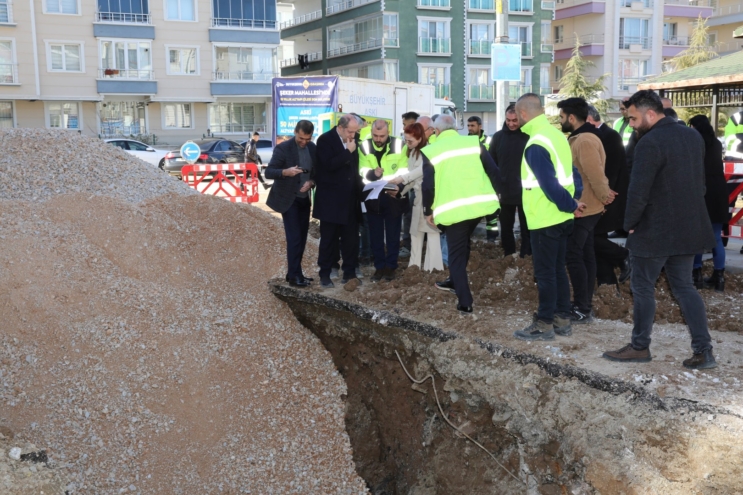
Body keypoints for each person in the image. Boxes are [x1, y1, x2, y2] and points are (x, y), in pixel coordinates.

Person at [603, 90, 717, 370]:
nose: (630, 124)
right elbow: (700, 183)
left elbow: (638, 191)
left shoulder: (649, 142)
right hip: (689, 226)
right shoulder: (692, 136)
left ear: (650, 114)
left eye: (632, 118)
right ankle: (704, 351)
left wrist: (628, 224)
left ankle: (640, 347)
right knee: (685, 288)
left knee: (642, 287)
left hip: (654, 229)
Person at [512, 94, 585, 341]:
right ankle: (562, 319)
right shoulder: (556, 135)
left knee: (545, 273)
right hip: (562, 218)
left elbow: (549, 185)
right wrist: (573, 202)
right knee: (557, 270)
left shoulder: (535, 143)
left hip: (545, 218)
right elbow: (573, 173)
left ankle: (544, 323)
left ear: (522, 114)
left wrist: (568, 204)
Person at [422, 115, 500, 313]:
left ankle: (464, 301)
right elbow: (493, 170)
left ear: (437, 131)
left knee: (456, 255)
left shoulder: (432, 150)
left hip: (453, 210)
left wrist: (428, 210)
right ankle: (454, 280)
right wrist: (499, 195)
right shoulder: (473, 142)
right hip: (477, 208)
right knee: (463, 244)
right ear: (455, 128)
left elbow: (428, 186)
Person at [558, 98, 615, 324]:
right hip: (587, 206)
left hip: (585, 208)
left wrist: (604, 197)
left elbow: (594, 173)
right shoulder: (582, 138)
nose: (560, 121)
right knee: (585, 255)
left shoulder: (584, 141)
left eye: (562, 117)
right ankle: (584, 304)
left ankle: (582, 308)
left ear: (572, 118)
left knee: (574, 255)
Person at [264, 121, 317, 287]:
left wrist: (311, 182)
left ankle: (294, 273)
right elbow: (269, 171)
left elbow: (316, 173)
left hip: (304, 199)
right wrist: (285, 172)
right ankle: (294, 277)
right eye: (301, 138)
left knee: (301, 238)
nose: (304, 142)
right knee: (294, 238)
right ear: (295, 132)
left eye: (307, 139)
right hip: (288, 199)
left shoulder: (313, 148)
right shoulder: (283, 148)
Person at [314, 114, 363, 288]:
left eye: (355, 132)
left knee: (351, 239)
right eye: (350, 131)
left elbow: (356, 168)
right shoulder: (325, 140)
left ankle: (349, 273)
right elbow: (329, 165)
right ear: (340, 128)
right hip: (330, 200)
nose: (353, 135)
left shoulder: (354, 140)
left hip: (350, 199)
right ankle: (325, 274)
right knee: (329, 240)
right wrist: (347, 152)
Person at [388, 123, 444, 271]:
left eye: (410, 141)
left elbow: (419, 172)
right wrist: (399, 191)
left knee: (432, 234)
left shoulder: (428, 151)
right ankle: (415, 267)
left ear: (420, 138)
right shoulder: (412, 152)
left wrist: (401, 180)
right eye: (405, 140)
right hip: (418, 199)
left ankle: (434, 269)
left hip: (429, 199)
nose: (407, 144)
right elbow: (412, 180)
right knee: (416, 233)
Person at [586, 105, 632, 287]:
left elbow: (610, 171)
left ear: (589, 119)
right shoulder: (601, 135)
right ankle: (607, 282)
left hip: (610, 198)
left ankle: (624, 256)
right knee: (596, 237)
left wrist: (604, 199)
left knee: (590, 238)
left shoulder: (609, 136)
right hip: (604, 197)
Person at [359, 120, 408, 281]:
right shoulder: (364, 146)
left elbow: (404, 170)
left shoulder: (400, 145)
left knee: (393, 234)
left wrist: (398, 186)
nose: (378, 139)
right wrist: (373, 174)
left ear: (389, 133)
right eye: (375, 135)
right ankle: (379, 267)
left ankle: (391, 267)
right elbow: (362, 169)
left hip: (393, 196)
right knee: (376, 235)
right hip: (373, 196)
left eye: (382, 136)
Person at [688, 115, 729, 292]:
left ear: (696, 127)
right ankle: (719, 276)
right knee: (716, 236)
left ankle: (696, 273)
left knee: (697, 235)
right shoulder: (717, 143)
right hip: (719, 190)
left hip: (702, 190)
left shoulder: (694, 143)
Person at [489, 104, 531, 256]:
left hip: (526, 190)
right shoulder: (498, 137)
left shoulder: (529, 136)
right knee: (506, 226)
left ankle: (526, 254)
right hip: (504, 190)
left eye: (515, 120)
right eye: (508, 120)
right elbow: (491, 164)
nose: (511, 124)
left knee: (527, 226)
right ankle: (509, 253)